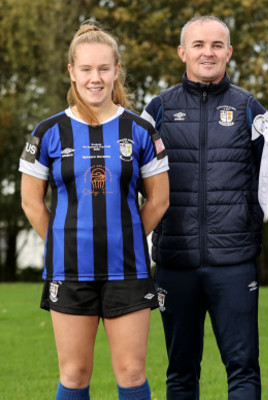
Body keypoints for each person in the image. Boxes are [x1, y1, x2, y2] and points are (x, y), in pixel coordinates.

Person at [19, 23, 169, 400]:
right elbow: (31, 202)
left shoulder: (140, 130)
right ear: (71, 71)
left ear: (117, 70)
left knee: (132, 373)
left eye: (104, 68)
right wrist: (63, 239)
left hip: (128, 269)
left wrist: (128, 234)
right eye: (86, 69)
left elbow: (159, 200)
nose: (95, 78)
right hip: (69, 270)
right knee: (74, 374)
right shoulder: (48, 131)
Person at [141, 16, 267, 400]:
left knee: (243, 371)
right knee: (180, 373)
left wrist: (243, 222)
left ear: (229, 52)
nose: (207, 53)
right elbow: (138, 182)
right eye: (198, 45)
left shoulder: (250, 108)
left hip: (234, 263)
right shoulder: (158, 109)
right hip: (175, 263)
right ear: (183, 52)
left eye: (216, 45)